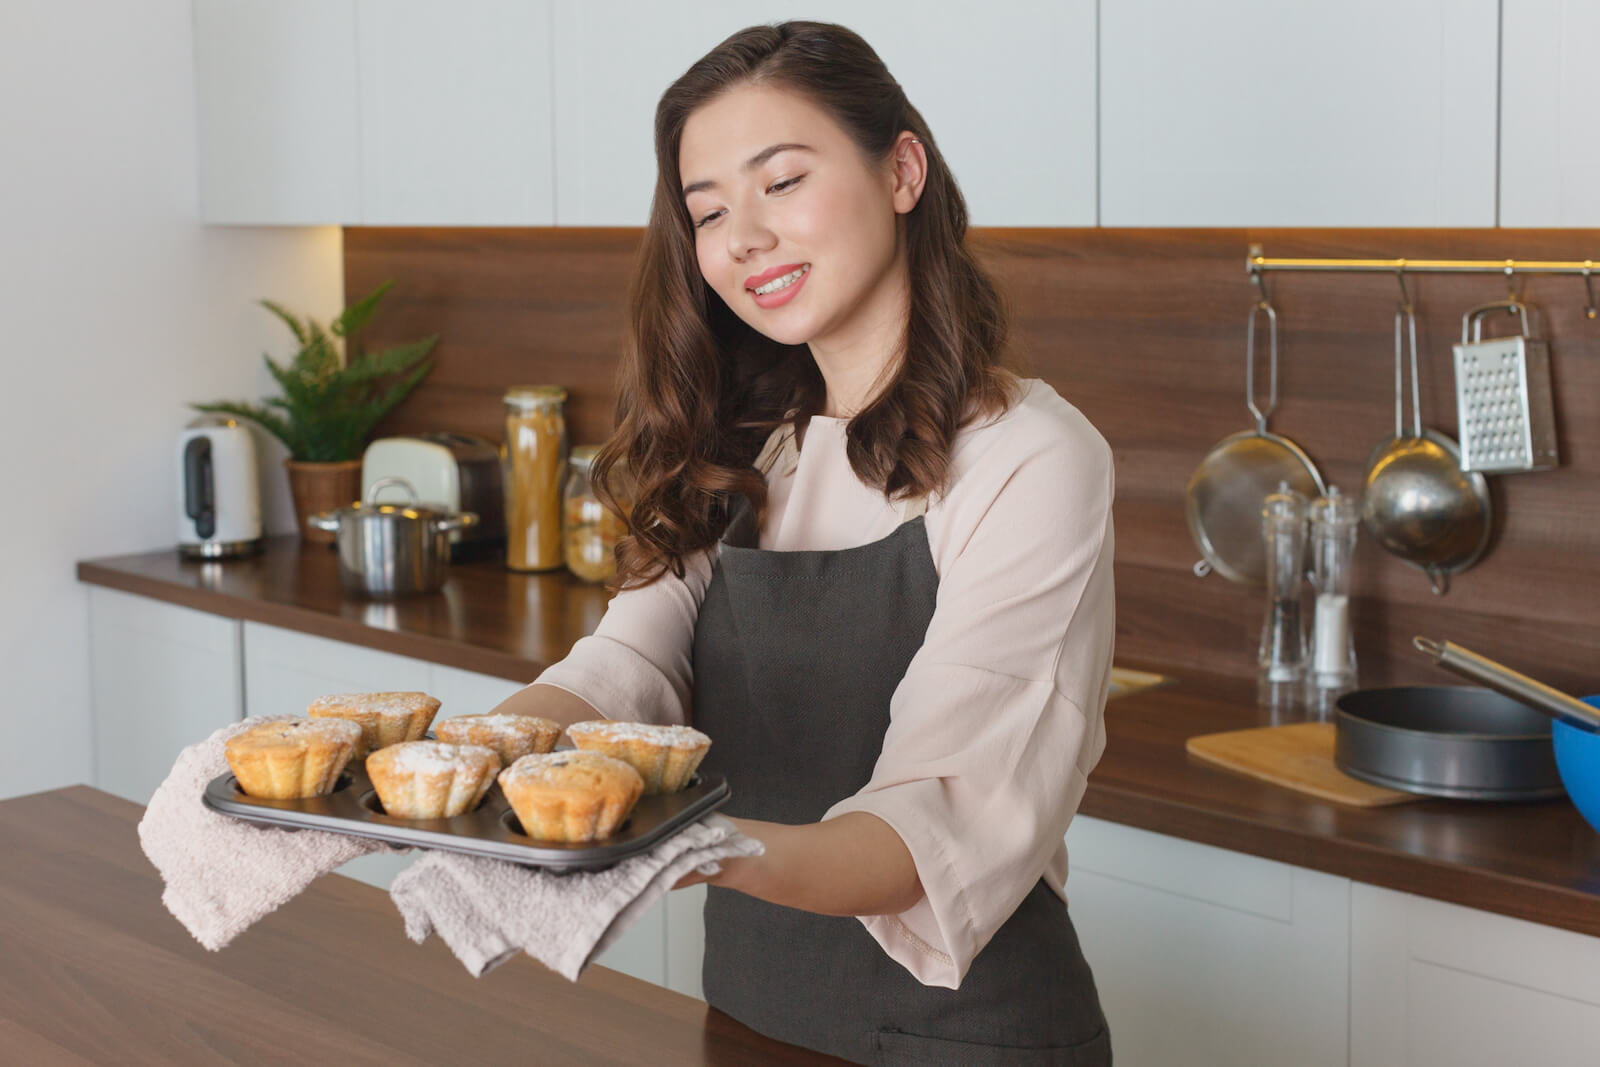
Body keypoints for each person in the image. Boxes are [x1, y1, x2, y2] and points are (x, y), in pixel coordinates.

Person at [490, 20, 1115, 1065]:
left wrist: (674, 843)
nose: (742, 237)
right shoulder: (744, 449)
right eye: (708, 212)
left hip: (965, 1037)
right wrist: (481, 755)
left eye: (781, 182)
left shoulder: (1031, 455)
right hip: (748, 1013)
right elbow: (624, 667)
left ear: (902, 170)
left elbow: (927, 821)